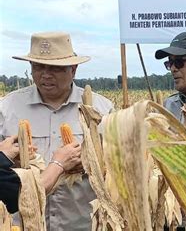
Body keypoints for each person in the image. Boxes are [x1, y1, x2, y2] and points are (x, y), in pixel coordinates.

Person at [0, 32, 114, 231]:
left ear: (73, 69)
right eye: (38, 67)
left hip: (81, 223)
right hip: (24, 224)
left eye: (55, 68)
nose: (45, 75)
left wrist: (90, 163)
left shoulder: (102, 110)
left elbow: (119, 169)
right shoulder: (7, 108)